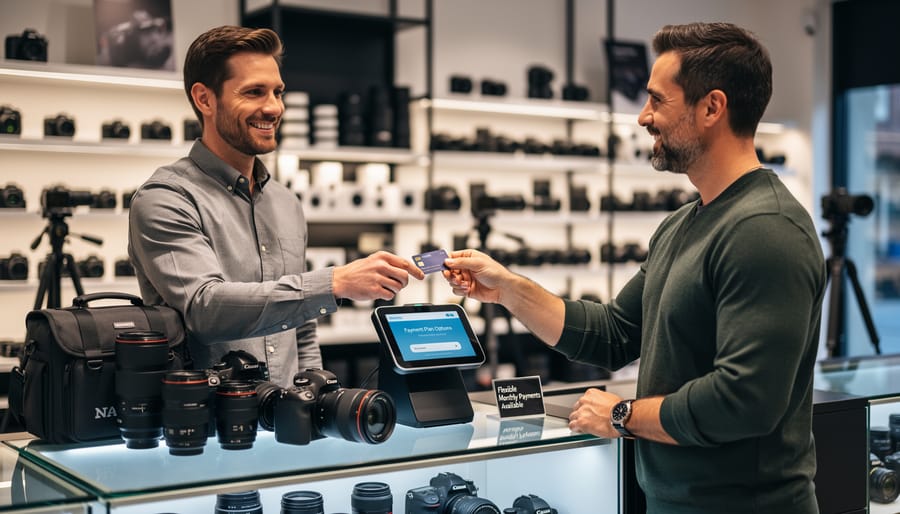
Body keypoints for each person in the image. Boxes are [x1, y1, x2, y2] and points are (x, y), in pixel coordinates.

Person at [443, 22, 825, 514]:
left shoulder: (766, 229)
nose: (644, 118)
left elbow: (744, 400)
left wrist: (623, 414)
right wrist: (509, 289)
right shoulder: (683, 224)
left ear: (712, 107)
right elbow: (614, 334)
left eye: (657, 101)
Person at [128, 26, 424, 388]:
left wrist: (317, 399)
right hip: (206, 429)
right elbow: (205, 309)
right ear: (204, 99)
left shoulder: (285, 203)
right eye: (254, 92)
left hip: (287, 425)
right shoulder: (166, 198)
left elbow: (302, 330)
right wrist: (333, 283)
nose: (273, 108)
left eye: (277, 92)